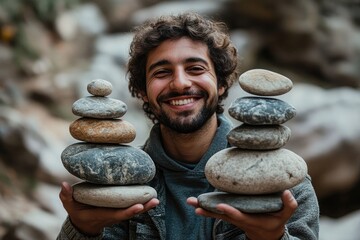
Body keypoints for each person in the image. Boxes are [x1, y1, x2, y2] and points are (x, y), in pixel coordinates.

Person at [57, 12, 319, 240]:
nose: (180, 83)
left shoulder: (283, 184)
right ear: (142, 92)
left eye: (195, 68)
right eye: (162, 72)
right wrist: (82, 231)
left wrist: (271, 239)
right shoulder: (117, 181)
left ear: (221, 82)